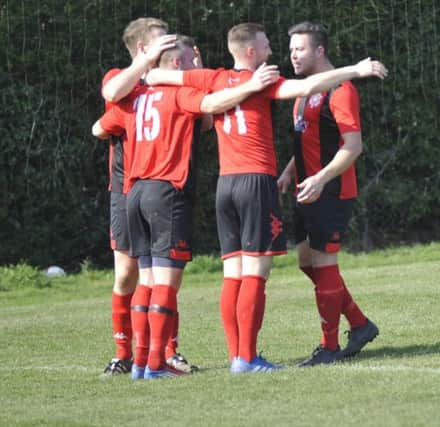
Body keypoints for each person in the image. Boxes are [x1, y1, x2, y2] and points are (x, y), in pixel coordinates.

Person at [144, 22, 387, 373]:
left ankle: (237, 355)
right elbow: (307, 85)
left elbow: (155, 79)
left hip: (226, 185)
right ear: (252, 52)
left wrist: (152, 62)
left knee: (234, 275)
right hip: (256, 183)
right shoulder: (264, 81)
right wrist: (356, 69)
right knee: (256, 274)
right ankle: (247, 357)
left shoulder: (212, 78)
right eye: (268, 45)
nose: (276, 52)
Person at [93, 35, 280, 379]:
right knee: (166, 282)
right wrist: (252, 85)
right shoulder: (181, 95)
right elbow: (212, 106)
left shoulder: (133, 98)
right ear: (177, 64)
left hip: (132, 192)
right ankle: (155, 365)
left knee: (145, 281)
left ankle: (138, 363)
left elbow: (99, 127)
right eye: (188, 61)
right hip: (166, 192)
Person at [98, 17, 200, 376]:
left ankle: (166, 352)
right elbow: (105, 111)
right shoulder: (120, 79)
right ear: (143, 49)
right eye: (162, 39)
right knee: (129, 275)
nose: (170, 43)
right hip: (127, 189)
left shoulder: (165, 85)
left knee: (162, 274)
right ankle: (124, 352)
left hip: (152, 186)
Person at [277, 22, 380, 366]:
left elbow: (352, 147)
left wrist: (320, 178)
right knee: (308, 263)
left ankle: (330, 346)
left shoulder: (341, 90)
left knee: (323, 262)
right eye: (291, 49)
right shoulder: (307, 89)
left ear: (320, 51)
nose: (293, 54)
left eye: (300, 49)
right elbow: (310, 136)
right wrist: (291, 170)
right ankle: (360, 324)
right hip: (309, 188)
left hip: (332, 190)